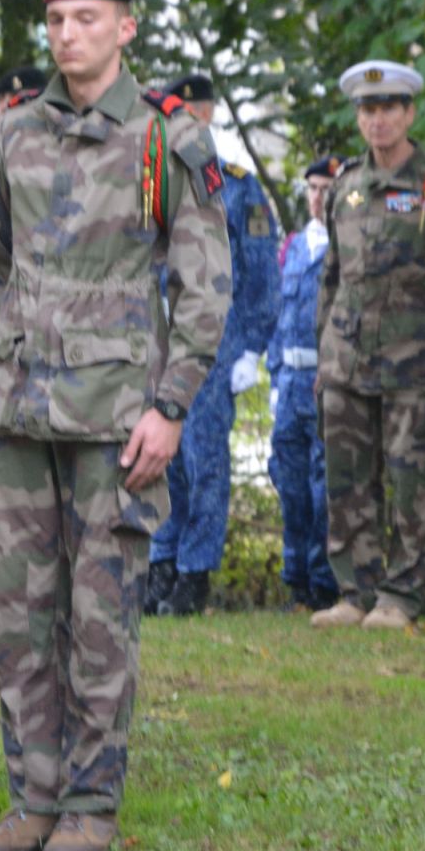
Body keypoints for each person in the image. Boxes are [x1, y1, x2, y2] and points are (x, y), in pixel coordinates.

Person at [0, 0, 231, 851]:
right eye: (56, 19)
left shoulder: (166, 140)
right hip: (18, 406)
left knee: (100, 614)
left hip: (115, 416)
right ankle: (31, 797)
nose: (68, 34)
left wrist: (171, 405)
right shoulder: (12, 136)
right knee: (16, 614)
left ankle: (88, 801)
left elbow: (204, 285)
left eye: (86, 19)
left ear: (125, 26)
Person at [310, 62, 425, 630]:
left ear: (410, 113)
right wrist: (323, 355)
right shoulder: (345, 186)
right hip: (347, 359)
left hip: (416, 363)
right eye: (368, 110)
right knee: (346, 481)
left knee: (412, 482)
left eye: (389, 108)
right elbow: (332, 279)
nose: (378, 120)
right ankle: (355, 592)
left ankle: (402, 597)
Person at [145, 72, 278, 617]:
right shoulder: (153, 180)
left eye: (182, 115)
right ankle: (162, 562)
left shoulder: (236, 185)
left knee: (203, 459)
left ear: (204, 115)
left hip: (214, 342)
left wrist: (251, 347)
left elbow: (261, 273)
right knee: (159, 458)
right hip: (159, 338)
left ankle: (195, 571)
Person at [265, 156, 340, 612]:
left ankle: (325, 581)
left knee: (325, 485)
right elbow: (277, 313)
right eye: (312, 188)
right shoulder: (294, 246)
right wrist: (274, 378)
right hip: (291, 382)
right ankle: (295, 579)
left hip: (326, 380)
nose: (317, 198)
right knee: (289, 481)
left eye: (326, 190)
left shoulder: (344, 245)